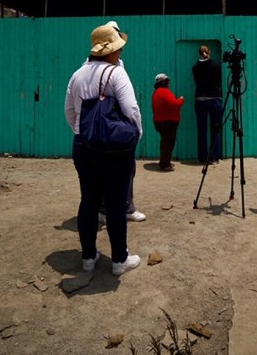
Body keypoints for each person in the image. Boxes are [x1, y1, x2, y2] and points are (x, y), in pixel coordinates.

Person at [64, 24, 142, 276]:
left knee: (88, 201)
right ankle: (119, 260)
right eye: (117, 49)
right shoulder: (116, 73)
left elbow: (69, 112)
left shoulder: (77, 75)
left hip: (83, 145)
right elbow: (131, 109)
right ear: (108, 51)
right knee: (116, 203)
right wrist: (136, 135)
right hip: (114, 149)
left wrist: (84, 133)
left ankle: (88, 257)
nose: (119, 53)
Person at [98, 21, 146, 224]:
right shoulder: (116, 69)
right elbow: (130, 106)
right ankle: (121, 208)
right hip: (117, 127)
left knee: (103, 171)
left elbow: (71, 106)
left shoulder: (86, 67)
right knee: (125, 169)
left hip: (99, 128)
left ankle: (106, 209)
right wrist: (137, 129)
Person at [192, 45, 223, 164]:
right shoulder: (215, 66)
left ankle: (203, 158)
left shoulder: (195, 68)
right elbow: (219, 81)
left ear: (199, 53)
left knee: (202, 130)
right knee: (215, 129)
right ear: (209, 52)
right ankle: (214, 157)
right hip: (215, 99)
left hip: (200, 99)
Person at [151, 73, 185, 171]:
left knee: (165, 142)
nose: (168, 83)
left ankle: (164, 162)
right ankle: (165, 164)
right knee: (169, 143)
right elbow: (174, 104)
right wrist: (181, 100)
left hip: (159, 121)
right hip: (168, 122)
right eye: (167, 81)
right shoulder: (164, 92)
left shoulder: (156, 92)